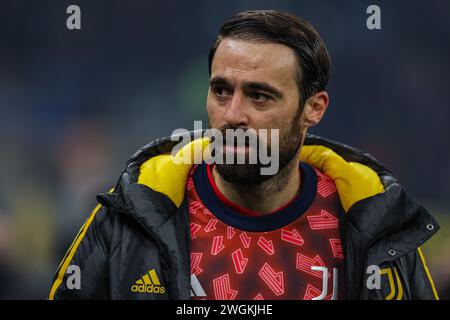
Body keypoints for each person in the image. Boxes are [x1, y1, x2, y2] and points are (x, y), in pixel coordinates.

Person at [49, 10, 440, 300]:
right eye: (221, 91)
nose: (233, 115)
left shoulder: (374, 223)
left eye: (259, 95)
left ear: (314, 108)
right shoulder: (130, 217)